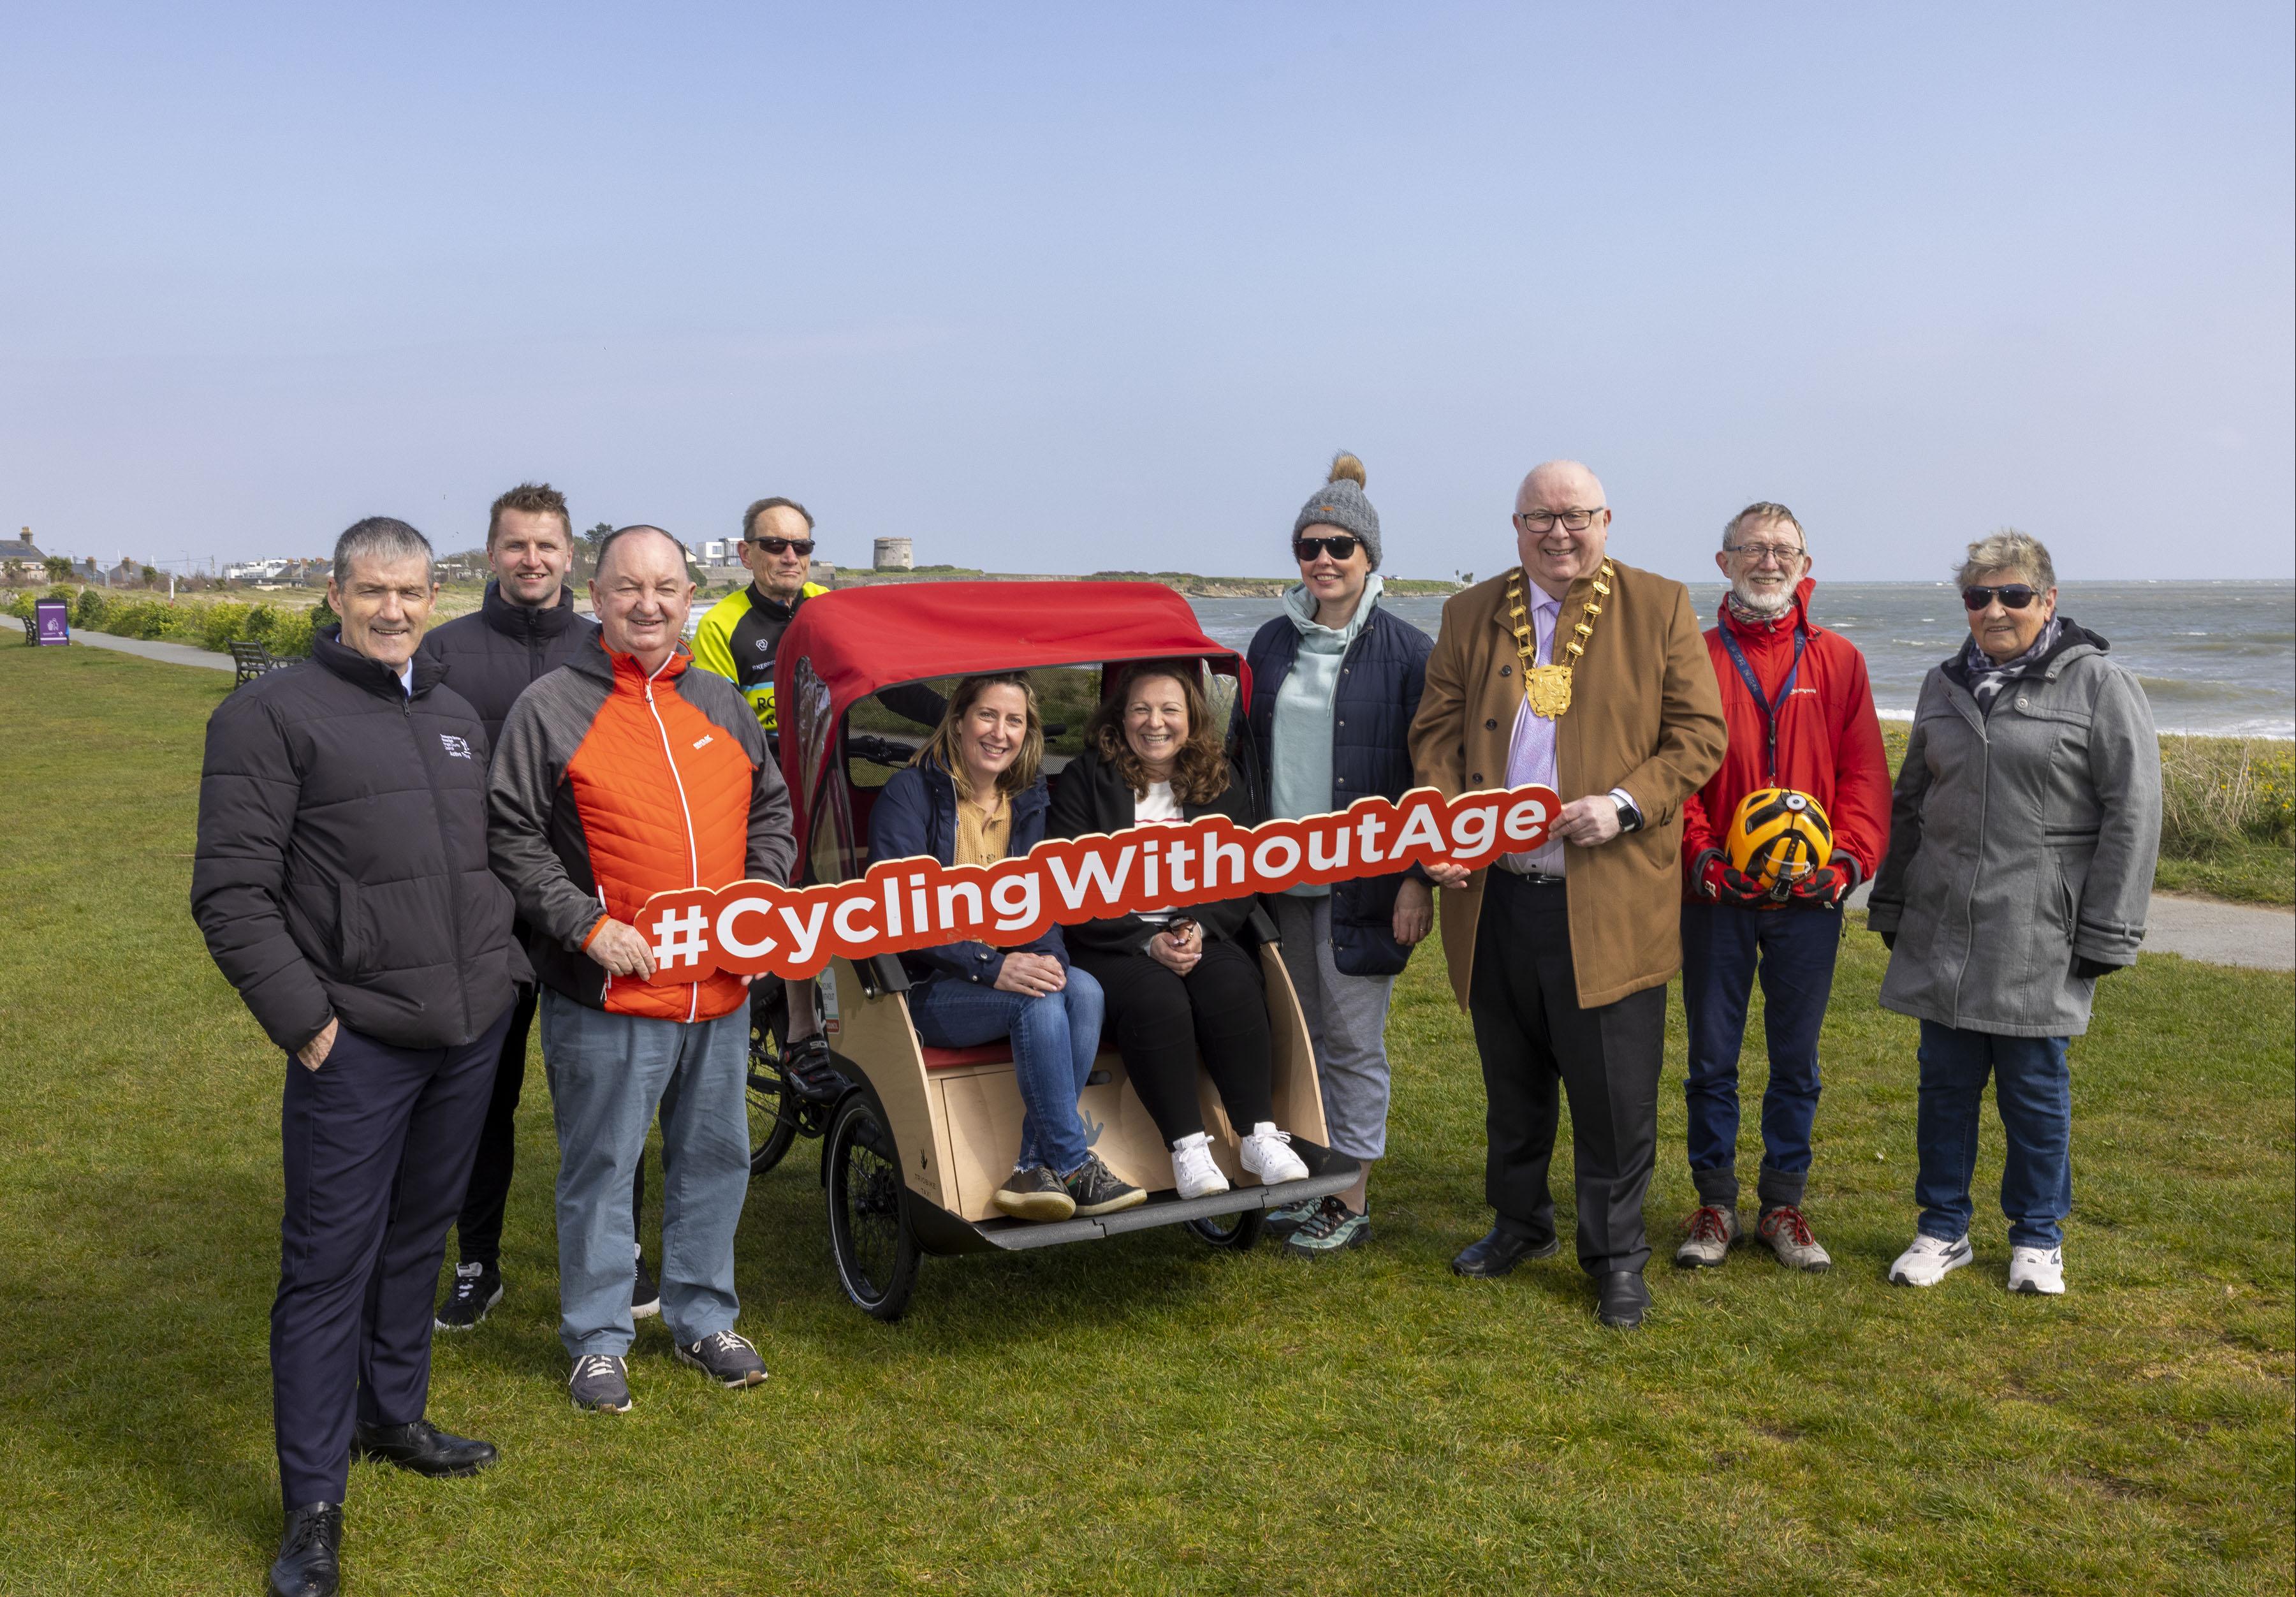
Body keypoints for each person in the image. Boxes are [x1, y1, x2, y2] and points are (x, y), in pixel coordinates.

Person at [193, 517, 522, 1597]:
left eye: (413, 591)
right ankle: (314, 1503)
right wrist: (306, 1020)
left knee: (416, 1235)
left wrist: (499, 967)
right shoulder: (268, 713)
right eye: (373, 590)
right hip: (356, 1040)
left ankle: (393, 1412)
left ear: (436, 596)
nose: (394, 609)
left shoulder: (456, 711)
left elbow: (478, 859)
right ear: (336, 593)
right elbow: (232, 893)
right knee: (327, 1263)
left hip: (463, 1030)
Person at [1410, 460, 1726, 1329]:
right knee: (1510, 1084)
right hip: (1497, 893)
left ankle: (1617, 1257)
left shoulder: (1658, 605)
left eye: (1575, 517)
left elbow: (1700, 736)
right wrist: (1442, 830)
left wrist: (1623, 806)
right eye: (1539, 519)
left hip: (1607, 893)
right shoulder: (1470, 613)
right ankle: (1519, 1225)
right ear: (1515, 527)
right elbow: (1434, 734)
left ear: (1606, 520)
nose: (1558, 533)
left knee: (1613, 1095)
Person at [488, 524, 796, 1413]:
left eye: (666, 588)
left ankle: (703, 1316)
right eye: (630, 588)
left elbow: (771, 808)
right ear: (597, 597)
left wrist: (762, 896)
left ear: (688, 597)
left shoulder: (722, 703)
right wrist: (585, 926)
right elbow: (509, 833)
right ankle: (596, 1339)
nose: (649, 604)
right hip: (610, 992)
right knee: (602, 1164)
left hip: (720, 990)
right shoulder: (551, 705)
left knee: (715, 1156)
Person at [1867, 530, 2159, 1297]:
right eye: (1978, 596)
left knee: (2034, 1089)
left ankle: (2037, 1238)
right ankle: (1941, 1229)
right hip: (1945, 926)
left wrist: (2107, 928)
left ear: (2048, 600)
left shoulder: (2098, 683)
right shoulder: (1941, 684)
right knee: (1945, 1087)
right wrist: (1892, 899)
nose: (1994, 609)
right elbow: (1910, 802)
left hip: (2040, 929)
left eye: (2013, 595)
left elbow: (2133, 811)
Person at [416, 483, 656, 1333]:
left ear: (570, 558)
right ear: (491, 554)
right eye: (515, 545)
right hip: (483, 918)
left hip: (595, 918)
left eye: (546, 546)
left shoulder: (607, 650)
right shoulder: (443, 651)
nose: (531, 560)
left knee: (607, 1093)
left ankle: (621, 1255)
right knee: (481, 1097)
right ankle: (477, 1260)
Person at [1671, 502, 1891, 1274]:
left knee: (1796, 1059)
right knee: (1712, 1057)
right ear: (1724, 561)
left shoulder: (1839, 660)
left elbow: (1864, 774)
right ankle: (1714, 1203)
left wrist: (1847, 865)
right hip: (1716, 899)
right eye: (1753, 549)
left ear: (1805, 566)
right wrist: (1702, 858)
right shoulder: (1691, 658)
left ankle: (1783, 1205)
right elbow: (1678, 775)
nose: (1769, 562)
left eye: (1783, 551)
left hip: (1808, 901)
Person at [1237, 452, 1434, 1258]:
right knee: (1300, 1033)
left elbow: (1434, 776)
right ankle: (1310, 1181)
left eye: (1339, 547)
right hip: (1280, 879)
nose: (1323, 560)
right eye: (1308, 546)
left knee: (1353, 1041)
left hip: (1368, 882)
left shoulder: (1409, 652)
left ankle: (1348, 1196)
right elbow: (1245, 755)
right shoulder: (1269, 642)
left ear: (1369, 557)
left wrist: (1420, 875)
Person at [689, 495, 942, 1094]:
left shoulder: (831, 609)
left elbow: (886, 684)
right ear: (747, 552)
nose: (790, 556)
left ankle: (870, 1020)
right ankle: (802, 1034)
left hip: (828, 776)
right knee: (797, 897)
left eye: (801, 546)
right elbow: (719, 722)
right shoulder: (723, 623)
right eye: (775, 545)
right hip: (763, 787)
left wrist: (952, 716)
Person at [868, 673, 1143, 1221]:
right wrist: (990, 966)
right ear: (959, 721)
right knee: (1037, 999)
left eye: (1013, 720)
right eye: (987, 716)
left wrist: (1049, 962)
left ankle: (1029, 1167)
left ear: (1027, 732)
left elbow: (1042, 898)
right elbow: (902, 911)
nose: (999, 732)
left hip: (1004, 971)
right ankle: (1068, 1160)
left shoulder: (1029, 798)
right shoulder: (911, 792)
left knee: (1080, 989)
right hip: (928, 985)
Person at [1048, 661, 1313, 1198]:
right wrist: (1143, 940)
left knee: (1231, 983)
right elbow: (1065, 879)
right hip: (1114, 939)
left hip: (1197, 929)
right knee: (1157, 999)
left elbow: (1240, 874)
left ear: (1191, 720)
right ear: (1119, 719)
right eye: (1140, 709)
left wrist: (1198, 926)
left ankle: (1258, 1134)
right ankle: (1188, 1150)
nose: (1155, 723)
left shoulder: (1219, 779)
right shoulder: (1085, 779)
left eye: (1170, 710)